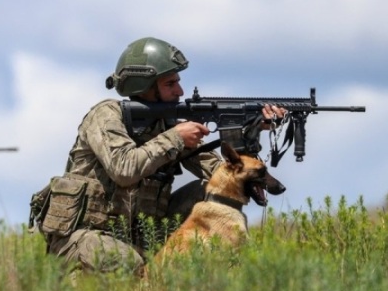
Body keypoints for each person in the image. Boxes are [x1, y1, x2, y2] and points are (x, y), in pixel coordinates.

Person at [36, 37, 284, 274]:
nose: (180, 90)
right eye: (170, 84)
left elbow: (226, 177)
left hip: (141, 237)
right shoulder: (106, 116)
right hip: (82, 237)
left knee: (205, 190)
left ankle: (226, 263)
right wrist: (176, 137)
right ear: (143, 86)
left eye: (178, 81)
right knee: (127, 262)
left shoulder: (167, 124)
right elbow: (123, 169)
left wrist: (251, 131)